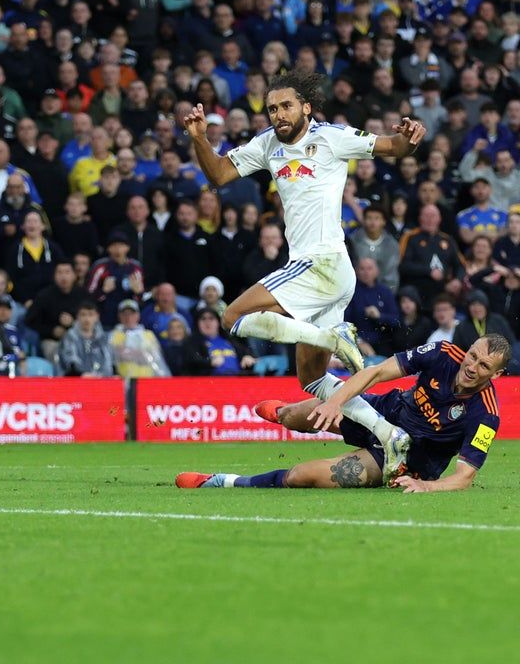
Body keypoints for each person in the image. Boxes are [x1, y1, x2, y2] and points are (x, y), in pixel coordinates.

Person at [183, 69, 425, 462]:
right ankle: (389, 434)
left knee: (231, 316)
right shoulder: (267, 144)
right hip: (326, 273)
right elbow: (220, 173)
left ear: (306, 108)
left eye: (286, 106)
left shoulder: (332, 136)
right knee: (311, 379)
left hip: (321, 263)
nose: (278, 114)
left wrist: (409, 137)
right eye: (272, 109)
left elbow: (393, 147)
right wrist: (199, 138)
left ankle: (332, 339)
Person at [181, 336, 509, 491]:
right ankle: (283, 412)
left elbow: (465, 477)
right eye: (473, 356)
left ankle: (224, 482)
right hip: (383, 412)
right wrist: (335, 402)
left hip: (404, 459)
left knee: (302, 476)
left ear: (496, 375)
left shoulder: (486, 414)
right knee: (298, 417)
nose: (472, 366)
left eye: (484, 366)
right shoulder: (442, 353)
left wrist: (426, 487)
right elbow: (376, 372)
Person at [57, 302, 114, 377]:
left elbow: (109, 362)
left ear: (97, 317)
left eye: (91, 315)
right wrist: (82, 374)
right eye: (83, 315)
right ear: (77, 317)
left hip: (102, 380)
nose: (87, 319)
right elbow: (69, 362)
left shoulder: (104, 338)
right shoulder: (69, 337)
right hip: (76, 379)